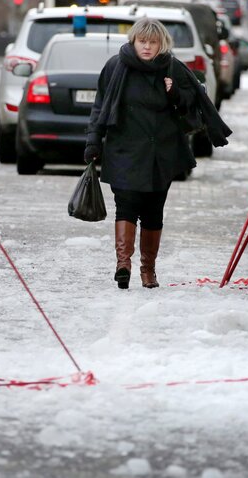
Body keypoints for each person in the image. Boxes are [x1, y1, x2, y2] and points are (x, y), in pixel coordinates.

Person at [83, 17, 197, 290]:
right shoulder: (116, 67)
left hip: (161, 152)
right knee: (126, 204)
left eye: (153, 42)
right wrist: (93, 140)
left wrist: (175, 94)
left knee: (153, 211)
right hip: (124, 149)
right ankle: (123, 265)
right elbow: (100, 106)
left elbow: (192, 103)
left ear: (162, 44)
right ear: (133, 41)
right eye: (142, 41)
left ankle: (148, 270)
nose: (147, 47)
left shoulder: (172, 68)